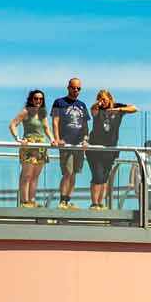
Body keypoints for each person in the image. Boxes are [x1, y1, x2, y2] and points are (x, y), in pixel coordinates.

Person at [86, 89, 137, 208]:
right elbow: (93, 110)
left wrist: (118, 110)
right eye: (100, 99)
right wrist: (97, 104)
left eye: (104, 99)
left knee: (104, 177)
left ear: (109, 98)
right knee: (97, 176)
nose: (102, 102)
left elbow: (134, 108)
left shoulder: (117, 107)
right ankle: (94, 203)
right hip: (95, 149)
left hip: (111, 149)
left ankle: (101, 203)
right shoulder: (98, 109)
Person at [50, 77, 88, 208]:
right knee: (67, 172)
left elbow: (85, 125)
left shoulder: (82, 105)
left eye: (78, 88)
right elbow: (55, 122)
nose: (76, 90)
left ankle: (68, 199)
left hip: (78, 144)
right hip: (66, 143)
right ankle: (62, 200)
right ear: (68, 87)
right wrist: (57, 138)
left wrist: (85, 140)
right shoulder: (59, 102)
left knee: (74, 173)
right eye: (73, 87)